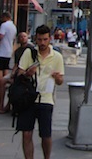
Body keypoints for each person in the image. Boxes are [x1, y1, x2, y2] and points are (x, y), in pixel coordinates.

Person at [17, 25, 64, 159]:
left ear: (50, 39)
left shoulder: (57, 57)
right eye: (39, 40)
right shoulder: (29, 53)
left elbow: (61, 81)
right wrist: (27, 73)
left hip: (46, 99)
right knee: (26, 133)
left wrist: (58, 78)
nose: (42, 43)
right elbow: (19, 74)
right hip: (28, 98)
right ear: (35, 40)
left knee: (46, 135)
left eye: (45, 39)